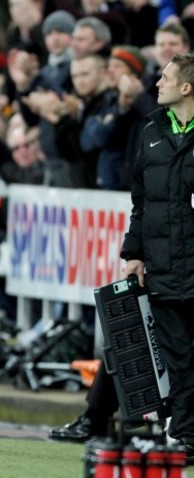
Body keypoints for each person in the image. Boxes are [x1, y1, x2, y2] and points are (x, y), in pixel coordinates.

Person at [118, 52, 194, 465]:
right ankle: (186, 436)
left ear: (187, 87)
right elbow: (140, 202)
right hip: (164, 269)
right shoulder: (150, 132)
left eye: (164, 78)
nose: (156, 84)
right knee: (179, 359)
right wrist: (133, 254)